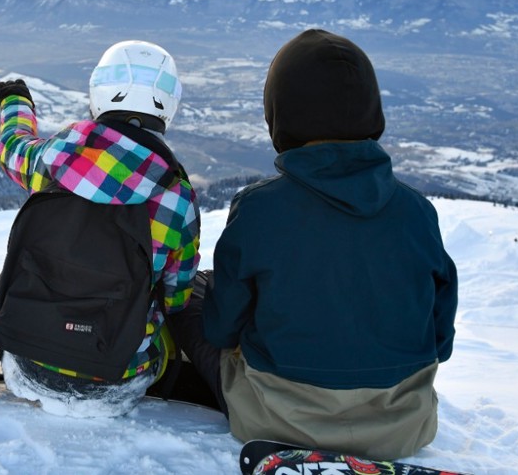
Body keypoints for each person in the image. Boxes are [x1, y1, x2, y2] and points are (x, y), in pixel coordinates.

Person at [172, 28, 457, 460]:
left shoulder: (259, 210)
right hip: (402, 426)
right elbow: (441, 340)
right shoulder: (418, 212)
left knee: (192, 294)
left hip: (278, 419)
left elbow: (219, 329)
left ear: (280, 113)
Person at [0, 40, 201, 417]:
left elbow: (12, 147)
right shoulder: (175, 199)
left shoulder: (55, 159)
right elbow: (176, 297)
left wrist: (15, 101)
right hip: (116, 381)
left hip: (25, 362)